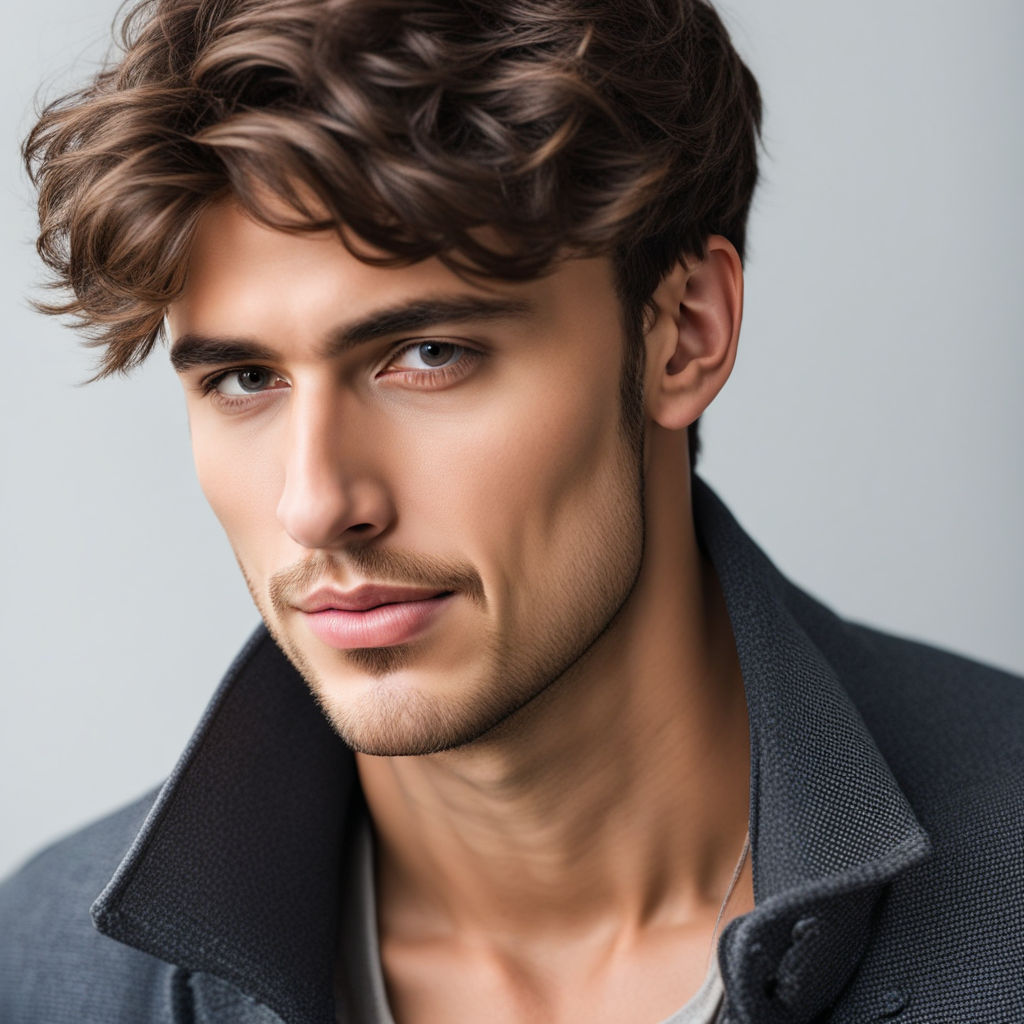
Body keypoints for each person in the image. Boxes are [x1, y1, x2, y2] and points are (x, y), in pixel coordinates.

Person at [1, 0, 1021, 1021]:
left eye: (428, 355)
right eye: (242, 379)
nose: (316, 503)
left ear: (683, 334)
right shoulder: (45, 969)